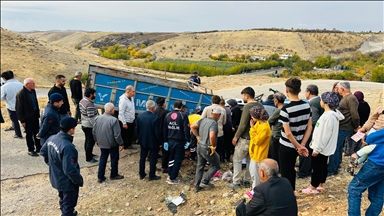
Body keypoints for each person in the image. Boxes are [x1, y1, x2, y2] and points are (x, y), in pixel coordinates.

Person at [302, 92, 344, 194]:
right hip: (325, 147)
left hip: (320, 147)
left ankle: (313, 187)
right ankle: (320, 184)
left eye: (321, 100)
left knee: (317, 167)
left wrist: (317, 149)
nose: (320, 101)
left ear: (325, 102)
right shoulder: (331, 115)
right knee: (322, 165)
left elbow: (324, 135)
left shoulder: (328, 117)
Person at [40, 117, 83, 216]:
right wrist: (79, 180)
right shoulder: (67, 146)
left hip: (56, 177)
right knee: (69, 204)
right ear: (71, 129)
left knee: (63, 199)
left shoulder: (52, 138)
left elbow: (43, 152)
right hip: (67, 182)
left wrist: (53, 165)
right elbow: (69, 170)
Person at [226, 87, 263, 190]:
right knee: (249, 160)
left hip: (245, 138)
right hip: (255, 138)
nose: (243, 97)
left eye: (243, 95)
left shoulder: (247, 107)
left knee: (237, 159)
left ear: (246, 95)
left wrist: (236, 136)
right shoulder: (260, 105)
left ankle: (236, 182)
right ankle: (247, 180)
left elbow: (242, 125)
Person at [279, 78, 312, 191]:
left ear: (287, 91)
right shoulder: (307, 106)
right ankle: (291, 191)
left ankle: (288, 193)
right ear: (300, 90)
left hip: (287, 145)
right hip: (299, 144)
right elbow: (309, 127)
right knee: (292, 169)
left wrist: (298, 146)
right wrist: (302, 145)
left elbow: (287, 133)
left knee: (285, 171)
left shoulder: (285, 109)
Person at [348, 128, 384, 216]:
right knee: (378, 194)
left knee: (354, 188)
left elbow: (370, 138)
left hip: (377, 162)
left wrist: (366, 135)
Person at [328, 81, 360, 176]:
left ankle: (332, 169)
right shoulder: (346, 98)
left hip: (345, 127)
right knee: (337, 148)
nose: (337, 90)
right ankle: (336, 165)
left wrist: (356, 126)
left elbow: (354, 115)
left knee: (335, 148)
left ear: (343, 89)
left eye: (338, 88)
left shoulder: (351, 99)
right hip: (342, 126)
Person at [191, 106, 222, 193]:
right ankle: (205, 181)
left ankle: (196, 186)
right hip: (207, 148)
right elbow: (212, 135)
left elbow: (193, 126)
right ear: (217, 114)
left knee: (200, 166)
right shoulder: (214, 123)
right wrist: (214, 146)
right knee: (216, 165)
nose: (219, 117)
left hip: (200, 146)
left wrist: (197, 137)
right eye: (219, 115)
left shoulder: (203, 120)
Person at [297, 84, 324, 178]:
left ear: (308, 92)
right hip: (317, 131)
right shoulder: (319, 100)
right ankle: (307, 168)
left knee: (305, 150)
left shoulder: (312, 103)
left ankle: (304, 172)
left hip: (311, 131)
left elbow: (314, 119)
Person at [93, 103, 124, 183]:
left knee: (103, 158)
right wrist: (121, 143)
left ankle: (100, 176)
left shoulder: (97, 118)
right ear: (111, 110)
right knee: (114, 159)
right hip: (112, 144)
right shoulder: (114, 120)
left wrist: (96, 140)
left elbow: (94, 131)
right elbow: (117, 135)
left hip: (101, 143)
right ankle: (114, 174)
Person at [163, 100, 190, 184]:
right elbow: (186, 129)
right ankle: (172, 178)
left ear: (173, 106)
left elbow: (164, 129)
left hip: (170, 140)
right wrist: (188, 140)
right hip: (179, 141)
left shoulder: (168, 115)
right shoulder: (183, 115)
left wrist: (165, 141)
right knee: (178, 159)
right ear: (181, 107)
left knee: (171, 158)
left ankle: (170, 174)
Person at [136, 100, 162, 181]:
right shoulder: (155, 118)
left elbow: (137, 128)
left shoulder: (140, 115)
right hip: (153, 142)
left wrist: (139, 137)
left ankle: (141, 173)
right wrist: (160, 142)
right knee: (153, 158)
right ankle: (152, 175)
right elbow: (157, 133)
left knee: (142, 157)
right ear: (153, 108)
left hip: (143, 140)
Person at [247, 105, 271, 195]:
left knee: (255, 174)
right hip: (255, 152)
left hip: (259, 154)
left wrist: (252, 128)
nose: (252, 117)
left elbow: (257, 141)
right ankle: (255, 188)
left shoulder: (264, 127)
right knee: (252, 171)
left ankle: (255, 191)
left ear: (257, 116)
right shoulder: (259, 123)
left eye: (252, 116)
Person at [16, 78, 41, 156]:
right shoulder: (21, 94)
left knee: (37, 132)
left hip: (34, 115)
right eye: (33, 83)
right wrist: (22, 120)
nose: (34, 85)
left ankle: (38, 147)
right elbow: (19, 108)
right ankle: (31, 149)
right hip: (27, 117)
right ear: (27, 85)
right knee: (29, 134)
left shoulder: (33, 91)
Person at [201, 95, 226, 162]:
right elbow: (224, 122)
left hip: (208, 133)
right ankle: (218, 162)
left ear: (212, 101)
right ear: (219, 101)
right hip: (219, 132)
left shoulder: (207, 108)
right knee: (219, 150)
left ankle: (208, 162)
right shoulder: (223, 110)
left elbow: (202, 120)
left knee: (209, 150)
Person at [1, 70, 24, 138]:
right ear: (13, 76)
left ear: (4, 78)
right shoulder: (21, 84)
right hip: (22, 105)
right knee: (23, 118)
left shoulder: (4, 87)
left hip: (11, 106)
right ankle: (27, 130)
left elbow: (1, 97)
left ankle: (18, 133)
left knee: (14, 120)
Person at [79, 88, 99, 163]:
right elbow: (91, 118)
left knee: (87, 140)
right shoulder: (89, 104)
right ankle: (89, 158)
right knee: (90, 142)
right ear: (91, 95)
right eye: (94, 94)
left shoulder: (82, 101)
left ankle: (89, 154)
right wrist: (96, 126)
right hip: (89, 126)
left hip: (84, 124)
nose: (95, 95)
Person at [267, 92, 286, 167]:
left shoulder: (279, 110)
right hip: (282, 134)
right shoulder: (285, 108)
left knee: (274, 153)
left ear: (276, 101)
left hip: (276, 134)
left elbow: (270, 121)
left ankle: (276, 168)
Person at [153, 97, 171, 173]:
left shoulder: (154, 111)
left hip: (155, 133)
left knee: (154, 150)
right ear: (164, 104)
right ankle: (164, 167)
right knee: (165, 151)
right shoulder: (166, 112)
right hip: (164, 133)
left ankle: (153, 165)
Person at [118, 85, 136, 150]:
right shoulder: (123, 100)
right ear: (128, 92)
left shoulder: (131, 98)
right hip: (126, 121)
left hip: (131, 120)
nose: (134, 93)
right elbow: (121, 112)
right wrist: (124, 123)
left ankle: (128, 145)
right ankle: (124, 147)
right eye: (133, 91)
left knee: (130, 134)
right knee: (125, 135)